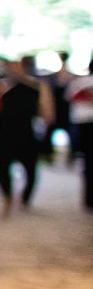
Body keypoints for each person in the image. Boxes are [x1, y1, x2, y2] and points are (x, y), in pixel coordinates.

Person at [0, 55, 54, 215]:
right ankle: (7, 197)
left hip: (26, 131)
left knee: (31, 169)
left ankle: (25, 198)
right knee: (2, 167)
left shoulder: (37, 86)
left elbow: (47, 112)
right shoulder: (2, 85)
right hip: (4, 132)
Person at [68, 68, 93, 210]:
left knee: (87, 162)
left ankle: (88, 198)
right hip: (85, 123)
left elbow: (70, 97)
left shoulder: (78, 82)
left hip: (82, 124)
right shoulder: (80, 82)